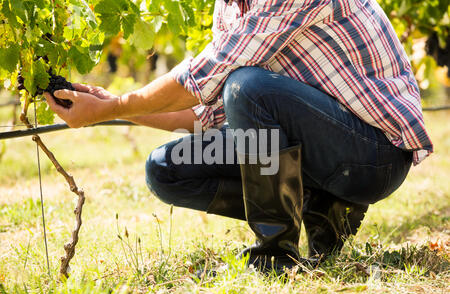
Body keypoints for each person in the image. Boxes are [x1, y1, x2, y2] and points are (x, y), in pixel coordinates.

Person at [45, 0, 433, 274]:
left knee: (246, 86)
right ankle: (322, 207)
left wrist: (117, 106)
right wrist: (115, 108)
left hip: (374, 155)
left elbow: (207, 78)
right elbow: (207, 112)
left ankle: (276, 256)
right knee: (167, 168)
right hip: (320, 147)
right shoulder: (231, 7)